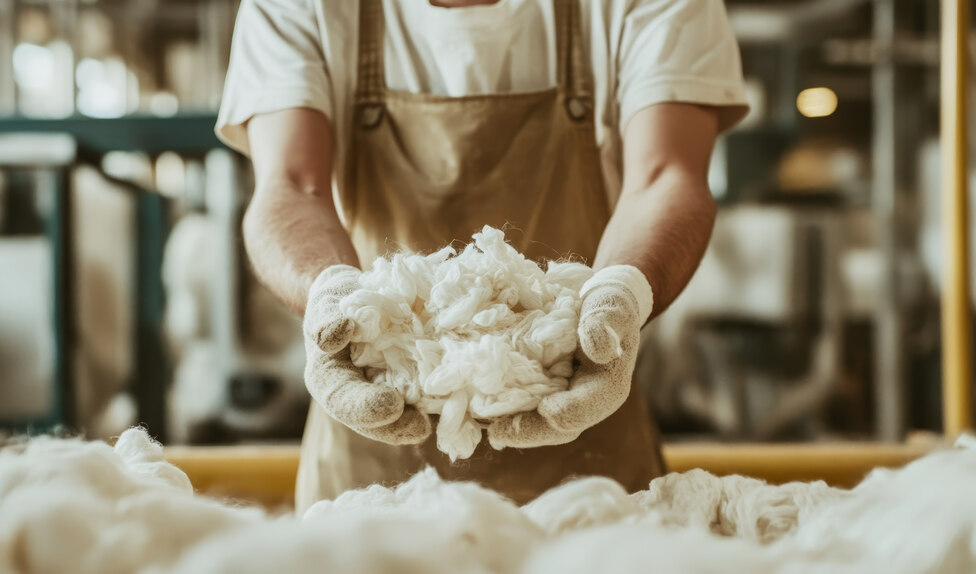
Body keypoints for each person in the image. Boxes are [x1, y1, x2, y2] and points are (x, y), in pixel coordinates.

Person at [215, 0, 748, 509]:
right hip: (370, 483)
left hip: (591, 469)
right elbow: (289, 185)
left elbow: (665, 176)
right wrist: (329, 295)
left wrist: (619, 297)